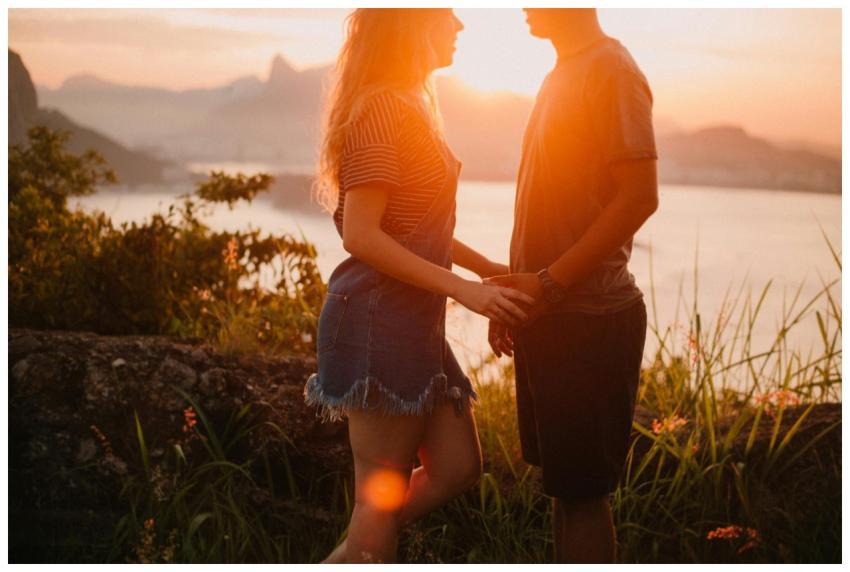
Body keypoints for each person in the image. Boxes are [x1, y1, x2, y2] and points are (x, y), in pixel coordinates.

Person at [304, 8, 535, 564]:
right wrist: (464, 291)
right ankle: (363, 541)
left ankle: (359, 542)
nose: (459, 27)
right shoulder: (382, 107)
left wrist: (488, 272)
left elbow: (417, 227)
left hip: (410, 322)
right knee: (375, 510)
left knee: (457, 468)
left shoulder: (410, 103)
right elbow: (361, 234)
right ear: (412, 25)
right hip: (377, 321)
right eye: (447, 16)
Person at [486, 8, 659, 564]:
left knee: (584, 496)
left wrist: (546, 285)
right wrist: (517, 298)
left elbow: (639, 197)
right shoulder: (561, 73)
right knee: (564, 491)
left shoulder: (611, 69)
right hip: (551, 314)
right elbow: (544, 211)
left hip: (590, 319)